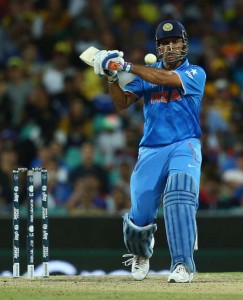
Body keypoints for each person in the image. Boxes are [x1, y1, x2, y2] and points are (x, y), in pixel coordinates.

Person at [93, 20, 206, 283]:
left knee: (179, 195)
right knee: (141, 211)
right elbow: (122, 103)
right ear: (158, 47)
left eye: (175, 42)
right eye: (164, 44)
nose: (170, 48)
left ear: (184, 44)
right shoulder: (146, 73)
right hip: (151, 149)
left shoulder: (195, 73)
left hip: (184, 144)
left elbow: (165, 78)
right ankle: (141, 253)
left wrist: (127, 67)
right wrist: (111, 77)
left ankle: (182, 264)